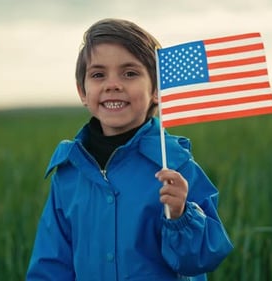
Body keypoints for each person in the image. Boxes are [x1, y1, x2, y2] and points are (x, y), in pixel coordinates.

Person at [26, 18, 233, 281]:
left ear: (156, 90)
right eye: (98, 74)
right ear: (82, 91)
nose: (113, 84)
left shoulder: (175, 165)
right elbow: (51, 262)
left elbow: (202, 257)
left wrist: (181, 215)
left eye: (130, 73)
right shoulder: (69, 172)